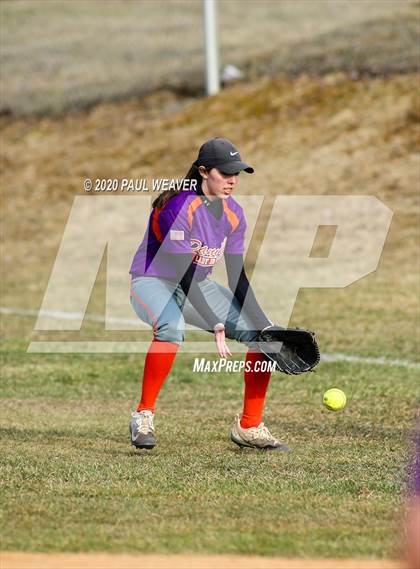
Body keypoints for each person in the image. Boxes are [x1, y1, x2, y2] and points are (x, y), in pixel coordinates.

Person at [128, 137, 291, 452]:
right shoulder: (178, 206)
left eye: (237, 173)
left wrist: (263, 324)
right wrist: (215, 321)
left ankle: (249, 426)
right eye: (224, 172)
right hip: (153, 281)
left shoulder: (234, 214)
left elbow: (236, 275)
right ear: (203, 171)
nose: (232, 180)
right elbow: (181, 272)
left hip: (196, 284)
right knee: (171, 328)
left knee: (263, 336)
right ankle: (143, 415)